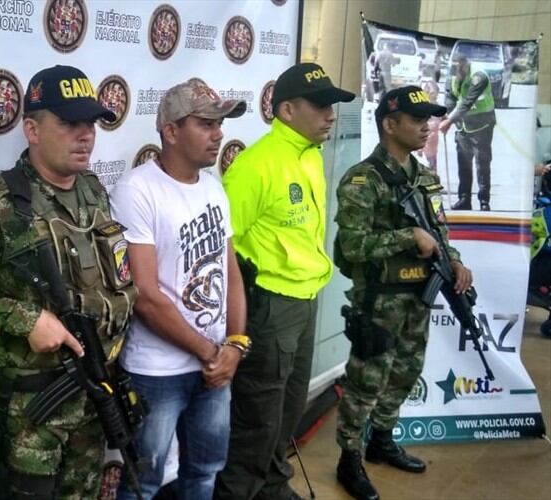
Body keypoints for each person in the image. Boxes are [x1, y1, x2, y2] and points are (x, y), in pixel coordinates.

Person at [0, 65, 138, 499]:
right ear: (32, 128)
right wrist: (26, 319)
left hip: (95, 392)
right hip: (34, 411)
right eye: (68, 124)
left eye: (91, 124)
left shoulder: (93, 191)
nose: (85, 135)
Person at [214, 62, 355, 500]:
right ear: (287, 110)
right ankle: (240, 492)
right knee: (259, 417)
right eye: (320, 105)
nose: (330, 114)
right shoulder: (257, 165)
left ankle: (273, 486)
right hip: (271, 306)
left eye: (332, 105)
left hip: (305, 299)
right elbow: (225, 247)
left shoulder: (309, 155)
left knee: (289, 408)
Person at [109, 78, 248, 500]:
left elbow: (231, 271)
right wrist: (213, 353)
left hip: (216, 365)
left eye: (220, 123)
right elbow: (146, 297)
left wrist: (237, 345)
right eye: (206, 123)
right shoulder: (137, 190)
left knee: (204, 473)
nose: (219, 133)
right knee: (143, 484)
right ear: (171, 131)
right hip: (158, 373)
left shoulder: (213, 186)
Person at [334, 86, 473, 500]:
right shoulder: (362, 180)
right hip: (378, 301)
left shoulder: (425, 177)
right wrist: (405, 236)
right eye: (416, 119)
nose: (425, 126)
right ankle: (349, 459)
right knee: (366, 381)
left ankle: (381, 441)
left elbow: (439, 231)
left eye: (428, 119)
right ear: (389, 124)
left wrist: (455, 261)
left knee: (405, 373)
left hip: (418, 297)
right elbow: (353, 247)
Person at [440, 53, 497, 211]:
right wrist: (447, 115)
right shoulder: (451, 75)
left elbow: (467, 101)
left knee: (482, 163)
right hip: (463, 125)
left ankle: (484, 201)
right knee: (463, 163)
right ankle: (464, 199)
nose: (456, 72)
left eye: (459, 67)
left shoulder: (479, 76)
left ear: (465, 65)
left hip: (482, 125)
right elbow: (450, 98)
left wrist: (449, 120)